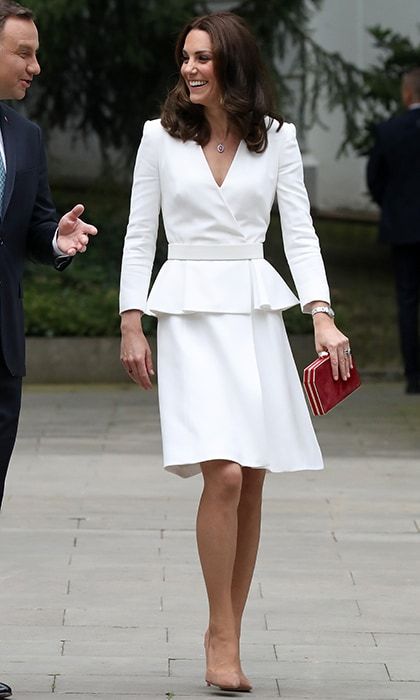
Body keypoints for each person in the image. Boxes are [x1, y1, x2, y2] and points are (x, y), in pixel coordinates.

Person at [120, 11, 352, 693]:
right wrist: (132, 322)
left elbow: (300, 233)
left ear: (232, 64)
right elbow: (139, 238)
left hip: (253, 315)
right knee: (220, 475)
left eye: (203, 58)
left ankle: (231, 633)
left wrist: (323, 315)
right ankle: (219, 632)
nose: (190, 69)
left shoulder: (275, 141)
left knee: (251, 480)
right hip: (188, 316)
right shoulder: (157, 140)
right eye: (184, 58)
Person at [0, 1, 97, 694]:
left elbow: (33, 223)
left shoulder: (27, 136)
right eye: (23, 52)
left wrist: (54, 239)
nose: (36, 66)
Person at [367, 67, 420, 395]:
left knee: (407, 300)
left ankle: (413, 375)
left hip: (402, 227)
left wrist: (391, 205)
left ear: (407, 93)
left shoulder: (389, 130)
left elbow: (375, 177)